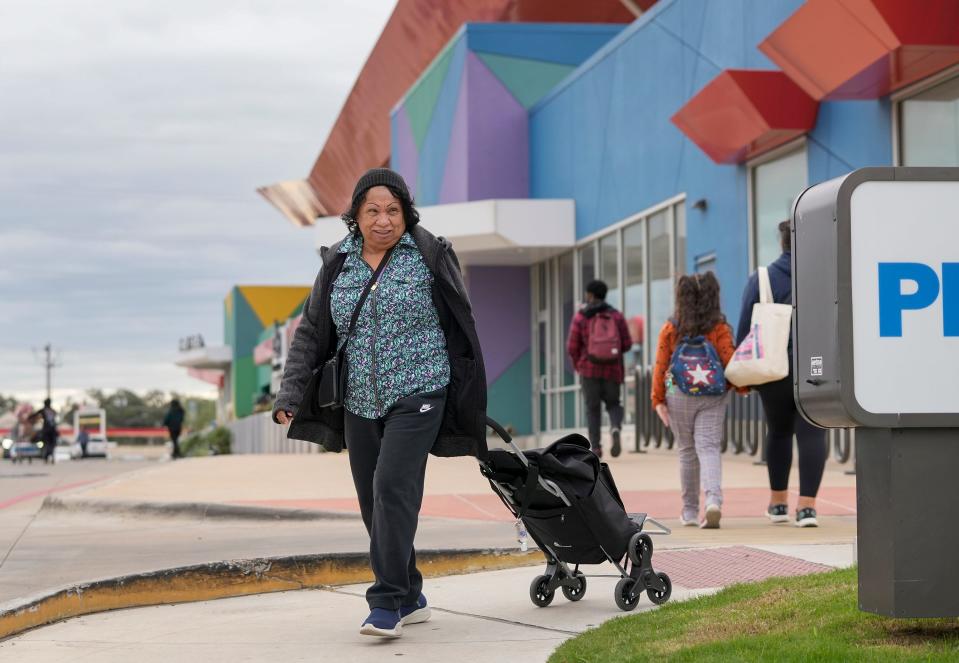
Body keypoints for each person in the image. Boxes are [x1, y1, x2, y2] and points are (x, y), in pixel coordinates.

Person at [272, 168, 487, 639]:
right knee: (373, 498)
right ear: (355, 215)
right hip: (359, 398)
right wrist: (291, 392)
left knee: (393, 485)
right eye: (373, 211)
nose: (384, 220)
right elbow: (311, 331)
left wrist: (466, 388)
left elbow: (462, 321)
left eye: (393, 210)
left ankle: (385, 602)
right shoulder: (337, 263)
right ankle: (410, 593)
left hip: (421, 389)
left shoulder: (429, 254)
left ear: (406, 214)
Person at [737, 220, 826, 528]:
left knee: (778, 432)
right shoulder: (820, 275)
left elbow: (745, 329)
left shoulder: (761, 278)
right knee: (813, 432)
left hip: (773, 369)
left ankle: (778, 505)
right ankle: (807, 509)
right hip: (814, 366)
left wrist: (743, 375)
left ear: (783, 243)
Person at [651, 272, 737, 529]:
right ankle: (713, 500)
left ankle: (689, 511)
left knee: (687, 451)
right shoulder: (719, 328)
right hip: (712, 395)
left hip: (678, 394)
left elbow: (661, 365)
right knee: (708, 447)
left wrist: (659, 398)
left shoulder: (671, 328)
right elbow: (729, 361)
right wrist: (737, 387)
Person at [566, 280, 633, 458]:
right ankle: (615, 427)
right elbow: (626, 344)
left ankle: (595, 447)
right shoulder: (616, 316)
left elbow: (572, 347)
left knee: (592, 409)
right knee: (614, 404)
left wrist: (578, 365)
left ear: (590, 295)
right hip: (613, 370)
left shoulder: (581, 316)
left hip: (589, 370)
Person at [36, 399, 57, 464]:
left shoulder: (43, 410)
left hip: (46, 430)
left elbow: (36, 415)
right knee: (52, 444)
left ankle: (46, 457)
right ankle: (52, 457)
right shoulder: (53, 411)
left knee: (45, 444)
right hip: (53, 430)